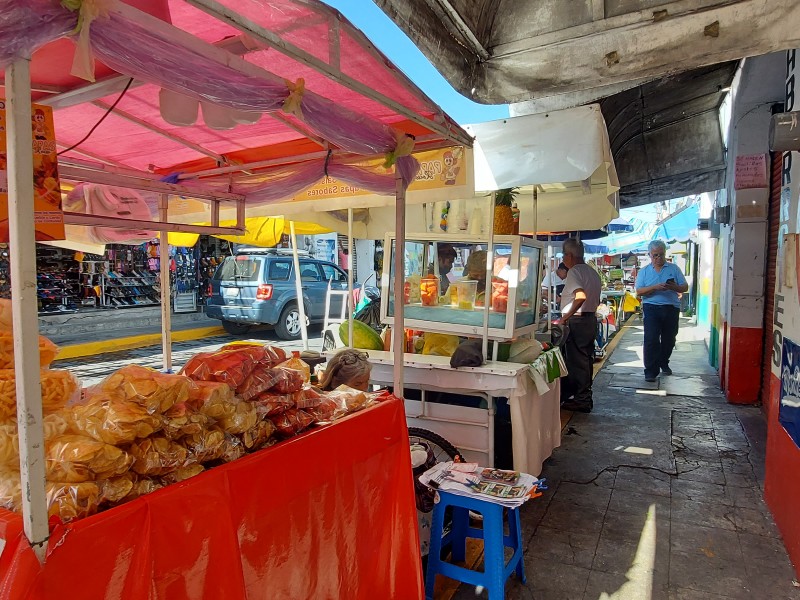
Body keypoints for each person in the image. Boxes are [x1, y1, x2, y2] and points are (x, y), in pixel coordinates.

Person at [635, 240, 688, 382]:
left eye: (661, 255)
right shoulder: (644, 271)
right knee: (651, 339)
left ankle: (663, 361)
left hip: (670, 307)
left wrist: (673, 287)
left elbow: (684, 287)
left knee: (669, 339)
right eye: (655, 255)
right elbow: (639, 291)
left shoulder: (673, 268)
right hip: (651, 307)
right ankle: (650, 371)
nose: (658, 258)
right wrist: (655, 287)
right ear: (650, 255)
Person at [559, 238, 602, 413]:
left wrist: (565, 317)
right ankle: (581, 396)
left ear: (569, 255)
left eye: (563, 254)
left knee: (578, 362)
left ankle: (582, 399)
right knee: (585, 359)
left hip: (578, 321)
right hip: (589, 319)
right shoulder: (592, 272)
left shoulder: (575, 272)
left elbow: (580, 296)